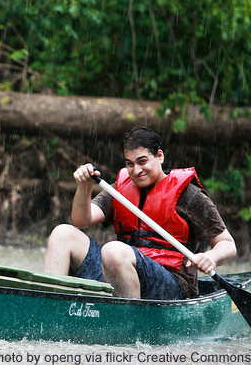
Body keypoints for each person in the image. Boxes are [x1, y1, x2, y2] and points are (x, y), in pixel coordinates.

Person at [43, 127, 237, 300]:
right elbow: (82, 220)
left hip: (171, 283)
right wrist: (84, 187)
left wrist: (211, 257)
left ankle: (130, 326)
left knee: (113, 251)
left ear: (159, 156)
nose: (136, 171)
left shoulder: (190, 196)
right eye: (130, 164)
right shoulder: (119, 190)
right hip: (118, 272)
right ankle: (49, 310)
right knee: (63, 234)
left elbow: (227, 244)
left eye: (142, 161)